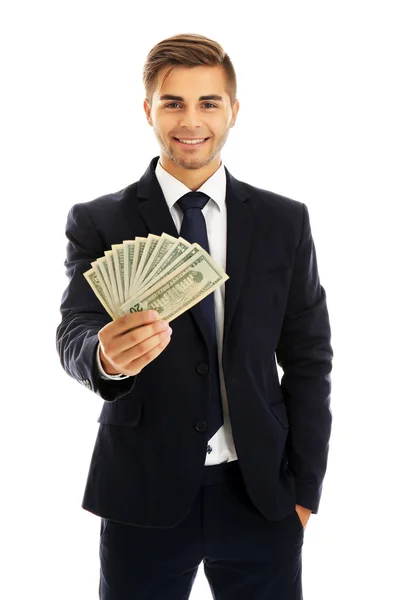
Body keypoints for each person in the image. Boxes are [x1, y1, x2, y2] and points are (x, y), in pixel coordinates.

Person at [56, 32, 333, 600]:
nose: (191, 121)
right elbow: (75, 328)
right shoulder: (98, 220)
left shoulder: (286, 221)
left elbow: (309, 360)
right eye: (172, 102)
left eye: (208, 102)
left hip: (260, 493)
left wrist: (304, 492)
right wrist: (103, 357)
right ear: (148, 110)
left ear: (234, 109)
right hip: (141, 492)